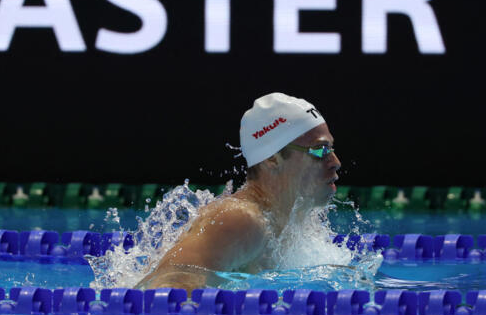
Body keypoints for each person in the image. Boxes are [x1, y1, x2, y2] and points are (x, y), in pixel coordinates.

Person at [136, 93, 341, 293]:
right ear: (273, 158)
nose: (335, 162)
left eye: (331, 149)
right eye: (320, 150)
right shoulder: (240, 220)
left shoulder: (298, 220)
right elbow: (164, 293)